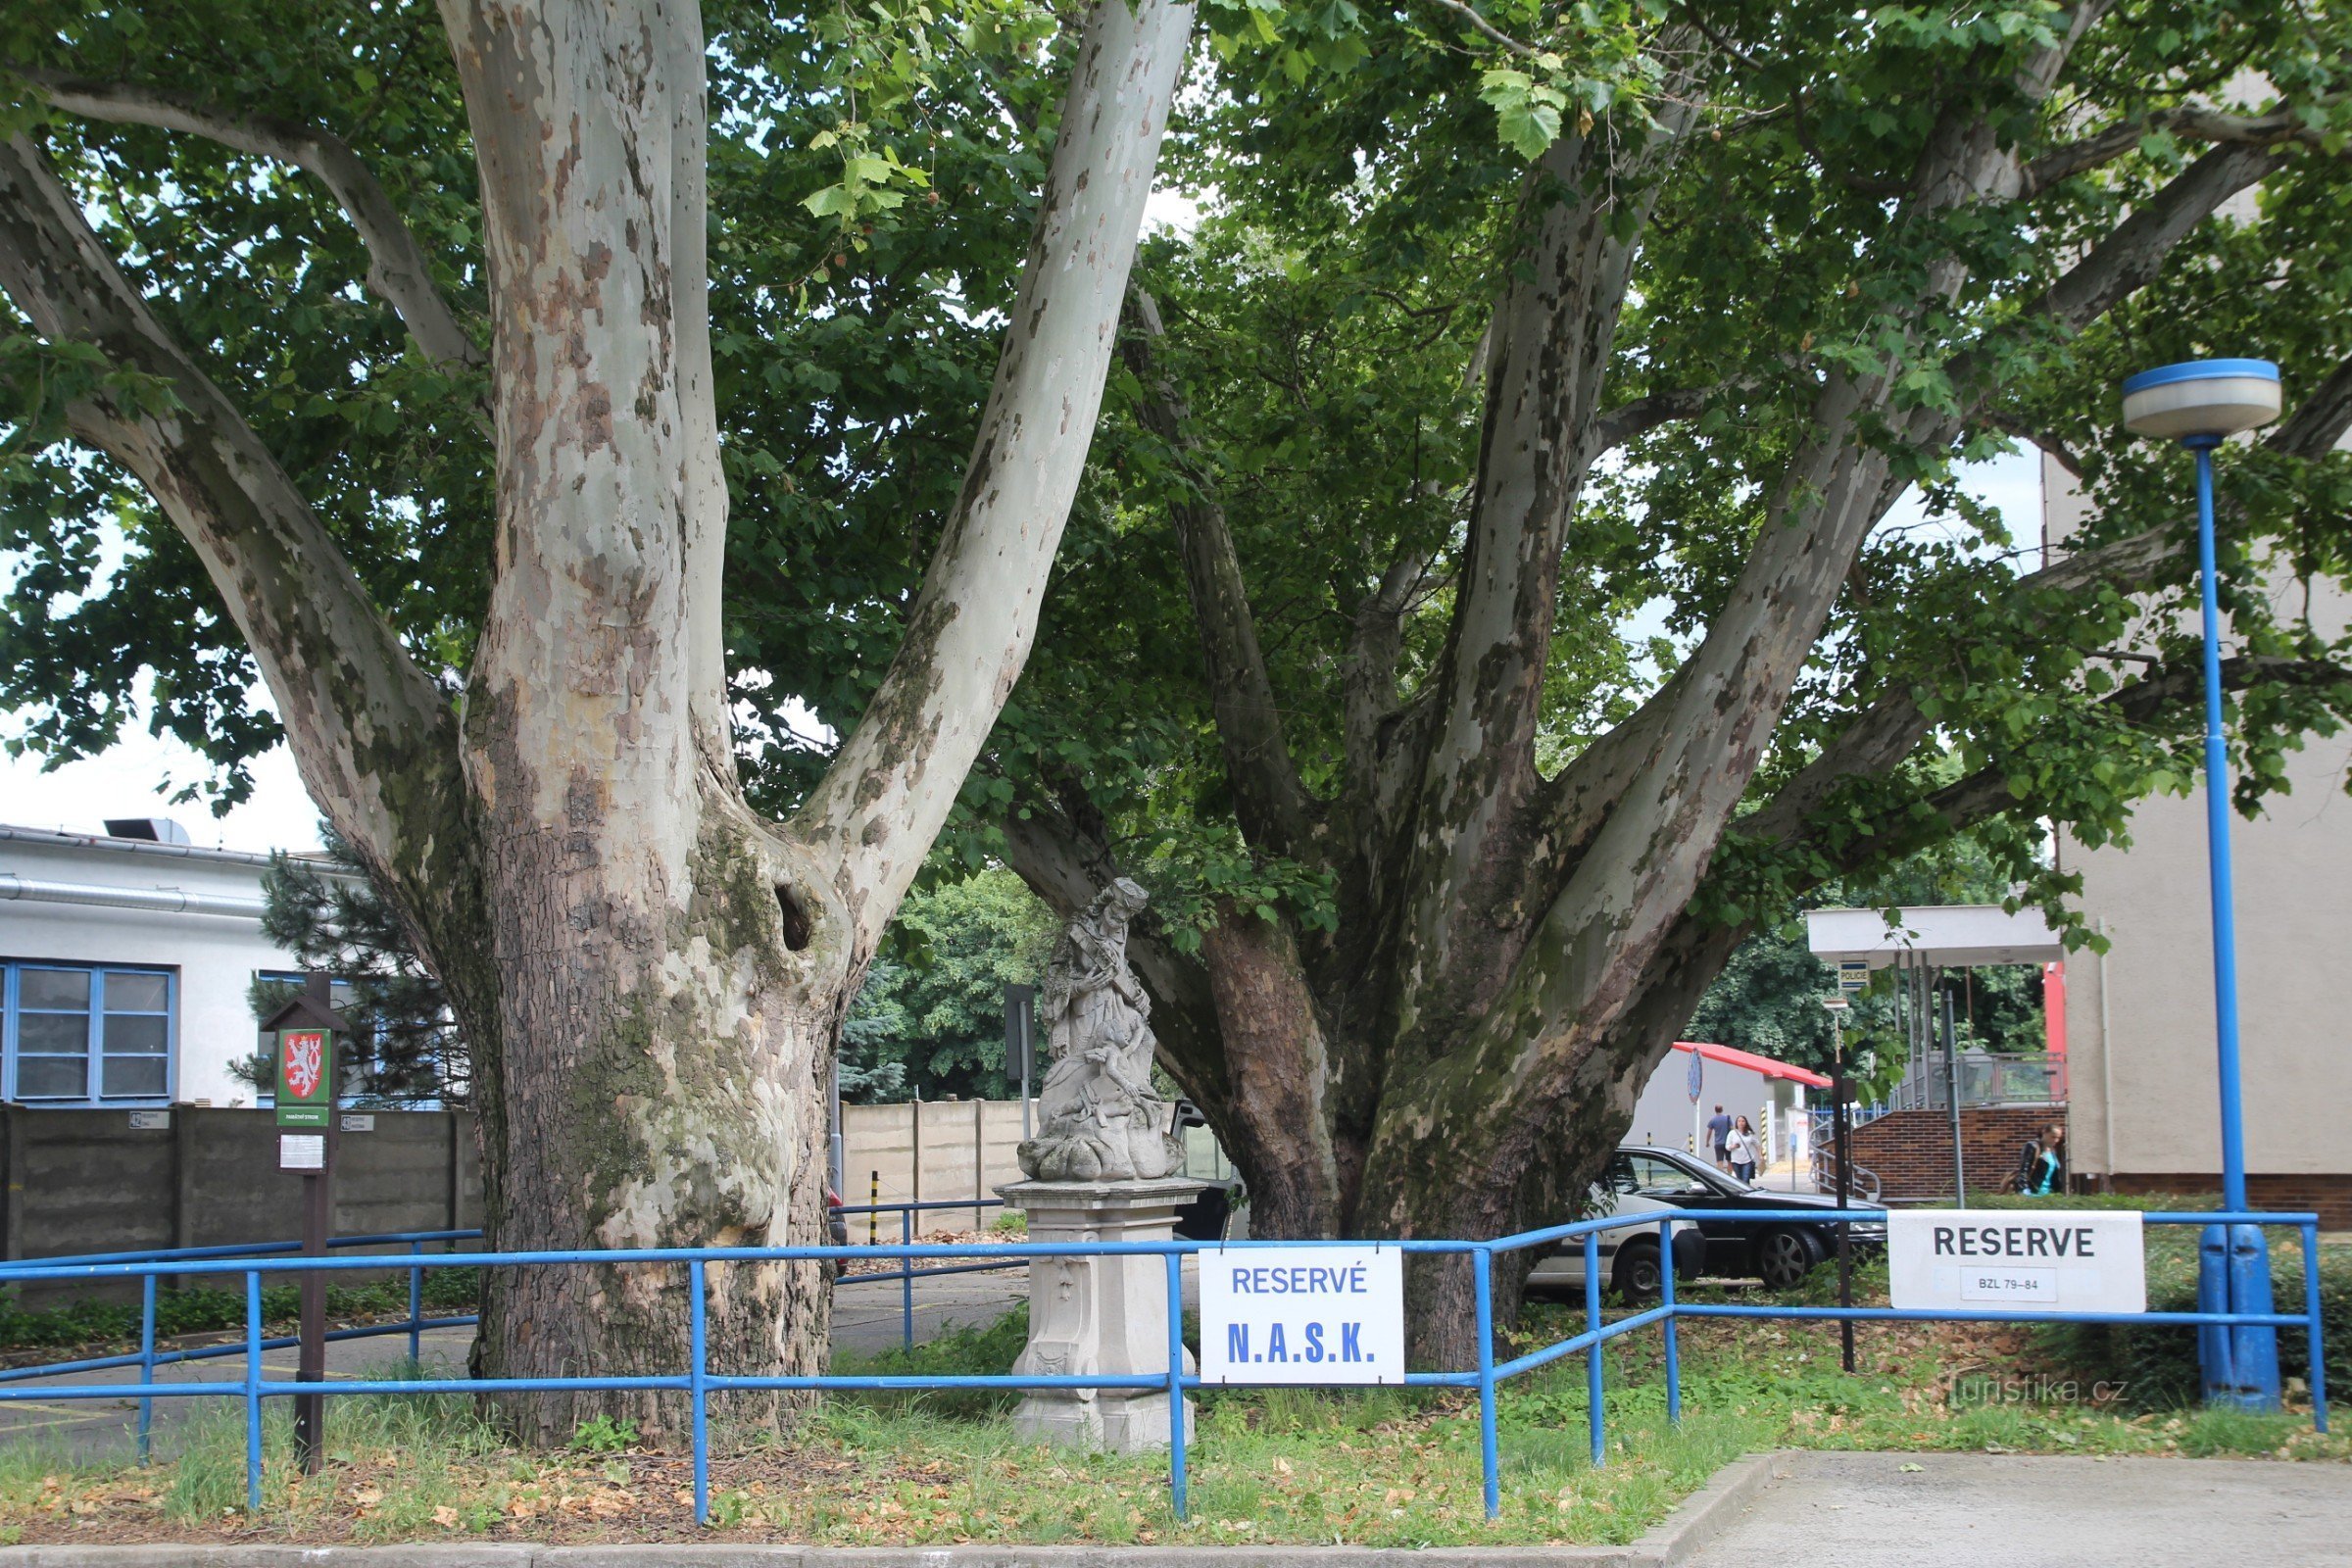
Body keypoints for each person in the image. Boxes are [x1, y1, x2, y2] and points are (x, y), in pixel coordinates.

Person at [2028, 1122, 2066, 1196]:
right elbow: (2023, 1171)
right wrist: (2024, 1191)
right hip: (2033, 1193)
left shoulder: (2053, 1151)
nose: (2056, 1140)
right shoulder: (2032, 1146)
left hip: (2049, 1194)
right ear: (2044, 1132)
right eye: (2053, 1137)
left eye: (2058, 1138)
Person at [1726, 1115, 1760, 1186]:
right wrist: (1733, 1146)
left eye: (1743, 1121)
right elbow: (1727, 1146)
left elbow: (1757, 1144)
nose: (1741, 1123)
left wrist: (1760, 1155)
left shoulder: (1750, 1133)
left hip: (1747, 1160)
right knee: (1740, 1181)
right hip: (1736, 1161)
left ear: (1746, 1123)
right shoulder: (1732, 1133)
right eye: (1739, 1121)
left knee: (1745, 1179)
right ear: (1736, 1123)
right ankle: (1745, 1191)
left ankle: (1747, 1191)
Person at [1706, 1103, 1733, 1171]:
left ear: (1715, 1110)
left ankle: (1721, 1175)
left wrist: (1707, 1142)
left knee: (1719, 1161)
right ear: (1722, 1110)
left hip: (1718, 1143)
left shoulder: (1713, 1120)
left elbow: (1709, 1132)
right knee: (1729, 1161)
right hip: (1728, 1143)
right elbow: (1732, 1129)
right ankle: (1729, 1175)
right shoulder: (1727, 1118)